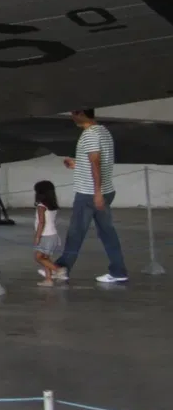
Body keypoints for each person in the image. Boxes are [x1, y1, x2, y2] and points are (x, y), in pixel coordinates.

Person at [57, 108, 130, 284]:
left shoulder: (89, 134)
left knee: (76, 233)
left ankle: (61, 269)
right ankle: (119, 271)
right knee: (107, 233)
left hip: (89, 193)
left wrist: (97, 192)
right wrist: (76, 164)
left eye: (73, 113)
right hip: (105, 190)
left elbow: (95, 162)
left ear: (80, 113)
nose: (71, 116)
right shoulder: (103, 131)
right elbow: (96, 161)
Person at [32, 180, 64, 285]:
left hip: (46, 236)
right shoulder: (52, 206)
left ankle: (58, 270)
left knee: (39, 257)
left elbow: (41, 222)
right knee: (46, 258)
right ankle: (48, 280)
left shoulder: (41, 206)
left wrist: (37, 236)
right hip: (53, 235)